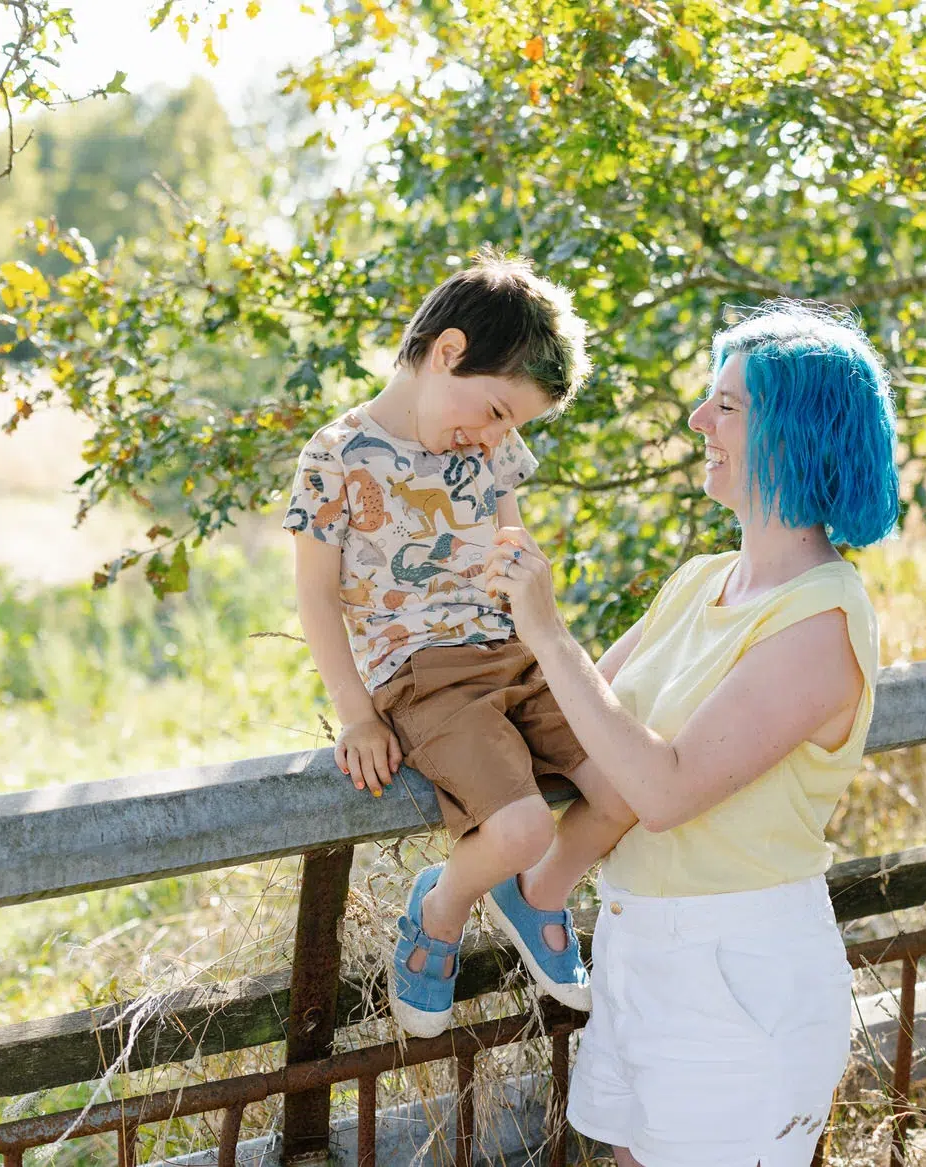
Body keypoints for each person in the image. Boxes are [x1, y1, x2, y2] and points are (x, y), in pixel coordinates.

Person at [481, 302, 897, 1167]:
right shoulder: (702, 579)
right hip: (635, 941)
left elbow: (664, 790)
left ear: (796, 429)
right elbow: (585, 718)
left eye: (728, 406)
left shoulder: (821, 618)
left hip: (737, 966)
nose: (699, 420)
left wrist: (550, 630)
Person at [284, 251, 636, 1039]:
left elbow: (511, 535)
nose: (493, 437)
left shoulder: (490, 447)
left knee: (625, 784)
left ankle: (535, 894)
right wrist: (357, 714)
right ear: (447, 353)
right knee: (521, 828)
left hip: (518, 655)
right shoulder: (337, 456)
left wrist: (531, 586)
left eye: (510, 425)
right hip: (426, 679)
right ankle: (439, 908)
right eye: (496, 412)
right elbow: (313, 595)